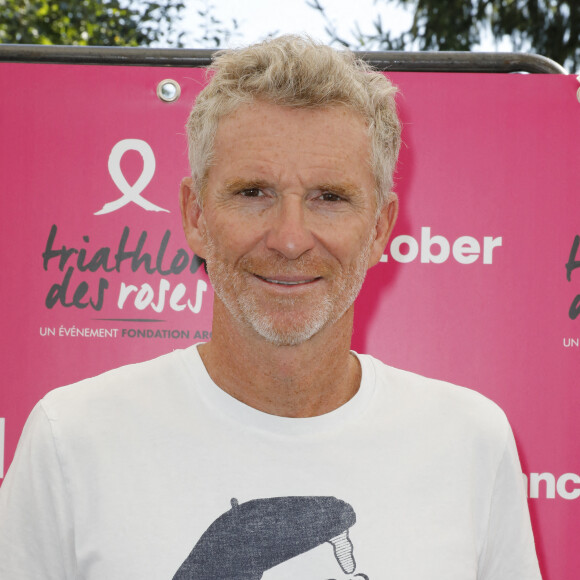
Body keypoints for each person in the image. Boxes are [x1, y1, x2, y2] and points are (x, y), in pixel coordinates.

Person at [0, 35, 541, 579]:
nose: (288, 238)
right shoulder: (71, 440)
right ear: (195, 215)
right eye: (253, 192)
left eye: (329, 197)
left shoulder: (470, 442)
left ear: (379, 228)